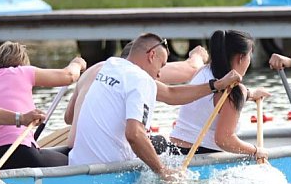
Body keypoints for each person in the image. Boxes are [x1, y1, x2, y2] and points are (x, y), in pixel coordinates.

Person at [68, 33, 241, 184]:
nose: (159, 74)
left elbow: (171, 94)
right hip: (106, 174)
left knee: (155, 143)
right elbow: (134, 135)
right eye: (162, 65)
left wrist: (217, 85)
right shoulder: (140, 80)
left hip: (77, 164)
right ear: (151, 55)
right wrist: (163, 172)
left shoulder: (111, 65)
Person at [63, 43, 210, 150]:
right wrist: (198, 56)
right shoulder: (134, 76)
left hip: (74, 148)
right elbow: (186, 74)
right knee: (158, 141)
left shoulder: (96, 69)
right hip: (103, 155)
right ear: (147, 58)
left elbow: (68, 118)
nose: (158, 74)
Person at [0, 41, 87, 169]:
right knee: (77, 160)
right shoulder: (21, 72)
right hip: (20, 152)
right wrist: (77, 63)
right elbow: (69, 76)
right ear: (22, 61)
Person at [170, 30, 270, 160]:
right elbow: (224, 140)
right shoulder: (234, 91)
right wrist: (256, 150)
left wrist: (251, 94)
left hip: (173, 151)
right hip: (198, 157)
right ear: (241, 57)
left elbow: (213, 100)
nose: (249, 61)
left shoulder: (203, 71)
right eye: (249, 56)